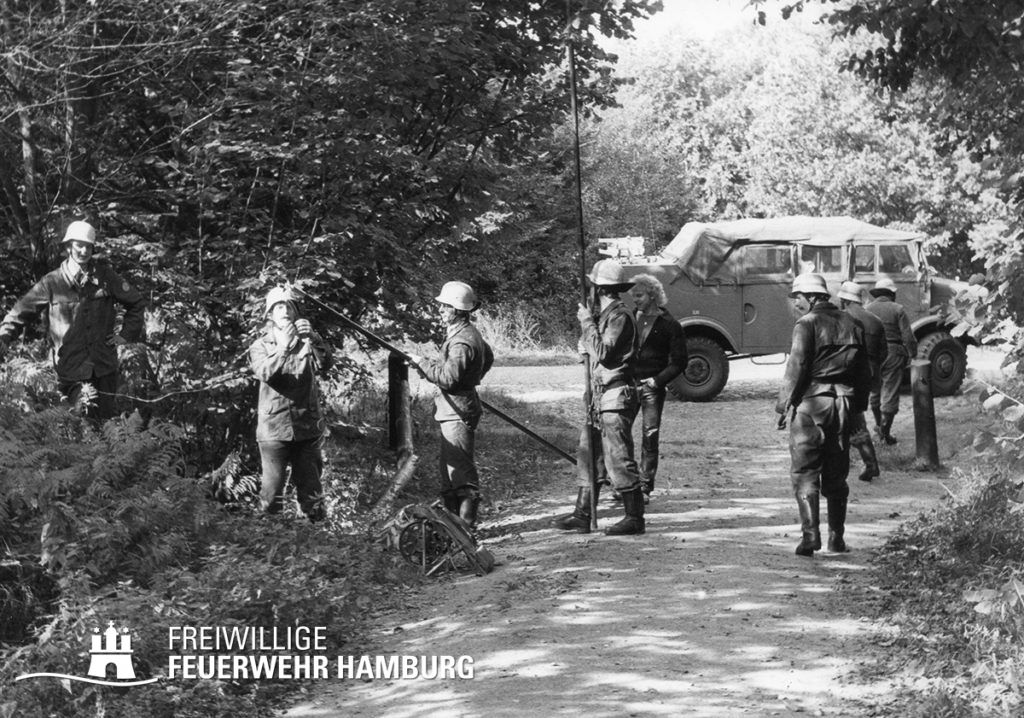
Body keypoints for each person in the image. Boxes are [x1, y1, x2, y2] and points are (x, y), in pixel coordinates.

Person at [0, 220, 146, 422]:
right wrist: (4, 336)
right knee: (79, 426)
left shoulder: (106, 277)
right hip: (71, 370)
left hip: (104, 368)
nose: (84, 250)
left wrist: (124, 336)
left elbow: (136, 303)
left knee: (107, 425)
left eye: (88, 246)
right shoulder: (52, 283)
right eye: (79, 245)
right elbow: (20, 312)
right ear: (68, 246)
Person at [776, 274, 869, 557]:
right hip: (842, 404)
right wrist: (858, 410)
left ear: (812, 297)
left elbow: (798, 365)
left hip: (811, 406)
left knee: (805, 471)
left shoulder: (807, 324)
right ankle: (836, 539)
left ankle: (810, 536)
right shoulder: (853, 323)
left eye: (798, 299)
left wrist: (783, 405)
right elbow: (864, 373)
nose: (796, 305)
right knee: (837, 473)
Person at [553, 259, 644, 536]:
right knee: (588, 454)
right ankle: (583, 514)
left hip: (616, 396)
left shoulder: (619, 317)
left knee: (618, 455)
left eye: (592, 287)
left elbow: (605, 353)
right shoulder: (605, 317)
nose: (589, 291)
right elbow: (595, 355)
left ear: (600, 289)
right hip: (599, 397)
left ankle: (634, 518)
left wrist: (586, 324)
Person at [407, 281, 494, 528]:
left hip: (458, 410)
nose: (440, 311)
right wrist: (472, 378)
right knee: (449, 471)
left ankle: (465, 526)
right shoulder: (465, 333)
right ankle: (453, 526)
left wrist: (421, 362)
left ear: (457, 309)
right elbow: (488, 357)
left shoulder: (461, 341)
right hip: (455, 407)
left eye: (445, 307)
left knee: (460, 471)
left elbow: (448, 378)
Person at [249, 286, 332, 521]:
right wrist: (284, 349)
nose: (284, 311)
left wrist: (314, 338)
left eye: (288, 306)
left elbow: (325, 364)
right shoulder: (260, 346)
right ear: (270, 315)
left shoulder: (306, 342)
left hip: (306, 429)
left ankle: (317, 543)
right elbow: (264, 372)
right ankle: (269, 545)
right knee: (271, 495)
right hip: (274, 431)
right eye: (278, 307)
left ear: (295, 313)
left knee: (312, 495)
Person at [629, 274, 687, 501]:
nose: (635, 300)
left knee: (649, 436)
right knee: (622, 434)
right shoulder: (631, 318)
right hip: (629, 384)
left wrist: (657, 380)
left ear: (652, 295)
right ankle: (626, 483)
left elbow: (680, 361)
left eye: (639, 295)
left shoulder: (670, 325)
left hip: (652, 388)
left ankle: (644, 487)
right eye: (633, 296)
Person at [837, 281, 887, 482]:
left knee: (843, 420)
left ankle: (843, 468)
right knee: (856, 416)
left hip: (847, 377)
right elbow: (884, 352)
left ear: (844, 300)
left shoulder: (842, 320)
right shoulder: (875, 321)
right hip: (869, 376)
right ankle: (870, 464)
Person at [865, 276, 917, 445]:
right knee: (890, 393)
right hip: (893, 353)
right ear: (891, 294)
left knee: (875, 392)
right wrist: (912, 354)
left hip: (872, 354)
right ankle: (884, 433)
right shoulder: (898, 309)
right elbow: (908, 337)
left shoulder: (867, 309)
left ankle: (879, 426)